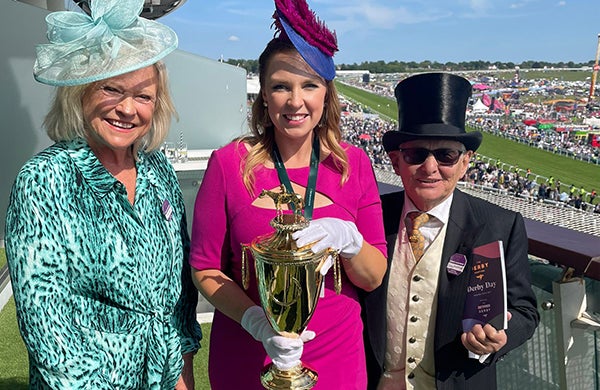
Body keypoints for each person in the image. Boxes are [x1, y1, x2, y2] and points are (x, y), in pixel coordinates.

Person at [189, 0, 387, 388]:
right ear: (263, 95)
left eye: (309, 85)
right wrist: (256, 322)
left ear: (326, 94)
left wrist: (350, 241)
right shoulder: (228, 164)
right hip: (249, 356)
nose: (296, 102)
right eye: (281, 86)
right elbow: (205, 268)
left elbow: (373, 276)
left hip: (337, 358)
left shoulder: (354, 164)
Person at [4, 0, 201, 388]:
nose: (128, 109)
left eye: (143, 96)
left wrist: (182, 371)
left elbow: (179, 292)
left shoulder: (157, 169)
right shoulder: (45, 179)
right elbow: (48, 326)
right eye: (111, 89)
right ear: (80, 92)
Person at [360, 73, 539, 389]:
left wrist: (499, 337)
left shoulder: (501, 225)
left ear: (466, 162)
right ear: (396, 160)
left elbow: (525, 312)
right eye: (416, 154)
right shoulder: (370, 215)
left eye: (445, 155)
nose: (430, 168)